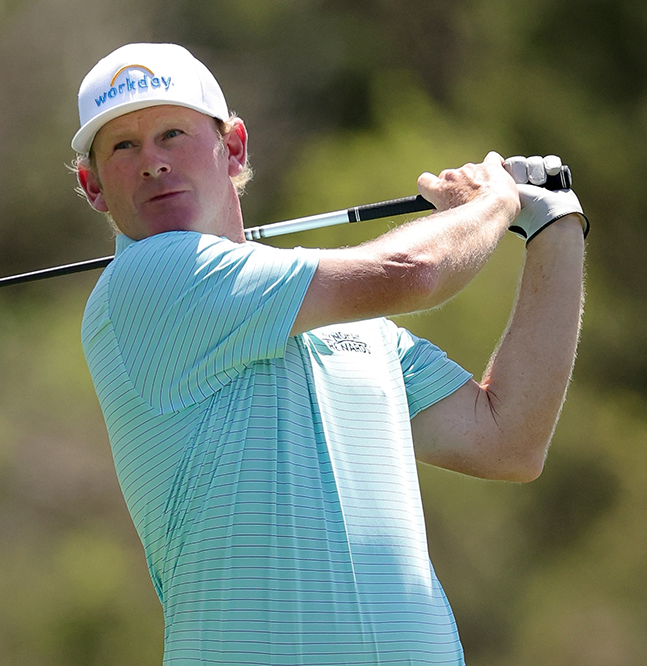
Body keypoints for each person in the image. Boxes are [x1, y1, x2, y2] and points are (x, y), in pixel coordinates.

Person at [73, 43, 586, 665]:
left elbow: (507, 440)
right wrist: (493, 202)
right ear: (93, 187)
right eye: (123, 147)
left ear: (232, 147)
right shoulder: (147, 282)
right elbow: (414, 271)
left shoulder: (356, 327)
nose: (152, 162)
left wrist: (556, 229)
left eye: (171, 134)